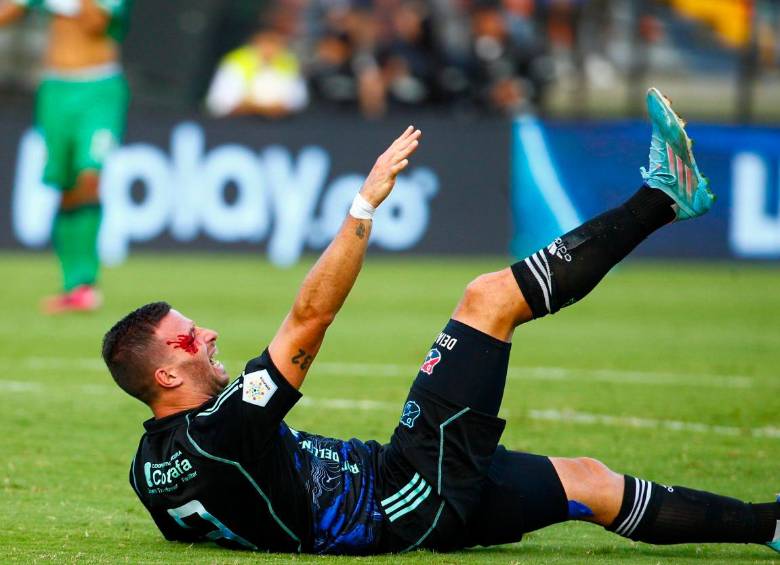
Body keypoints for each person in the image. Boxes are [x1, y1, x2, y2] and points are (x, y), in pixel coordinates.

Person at [102, 89, 780, 556]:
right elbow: (311, 316)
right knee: (488, 299)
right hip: (404, 492)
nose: (209, 334)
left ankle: (768, 526)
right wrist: (363, 206)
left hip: (403, 502)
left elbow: (193, 521)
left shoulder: (148, 467)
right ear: (164, 372)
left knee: (589, 482)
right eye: (189, 338)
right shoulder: (223, 428)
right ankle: (666, 196)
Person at [0, 0, 131, 313]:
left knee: (90, 176)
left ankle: (86, 281)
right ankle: (72, 285)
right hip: (56, 89)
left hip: (98, 88)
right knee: (66, 185)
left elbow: (95, 23)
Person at [205, 29, 308, 119]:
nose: (270, 50)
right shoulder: (236, 62)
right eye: (266, 43)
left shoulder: (288, 63)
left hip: (276, 126)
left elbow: (298, 101)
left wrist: (276, 108)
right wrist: (254, 107)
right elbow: (218, 103)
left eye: (275, 44)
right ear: (255, 43)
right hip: (236, 124)